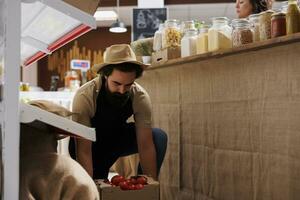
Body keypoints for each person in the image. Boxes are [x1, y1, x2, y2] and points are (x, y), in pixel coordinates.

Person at [71, 44, 168, 180]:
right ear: (105, 76)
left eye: (128, 84)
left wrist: (149, 186)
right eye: (116, 83)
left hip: (116, 137)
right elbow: (83, 150)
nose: (122, 90)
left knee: (158, 137)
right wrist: (88, 186)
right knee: (97, 188)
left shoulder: (140, 96)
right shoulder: (85, 96)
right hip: (90, 145)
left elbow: (145, 144)